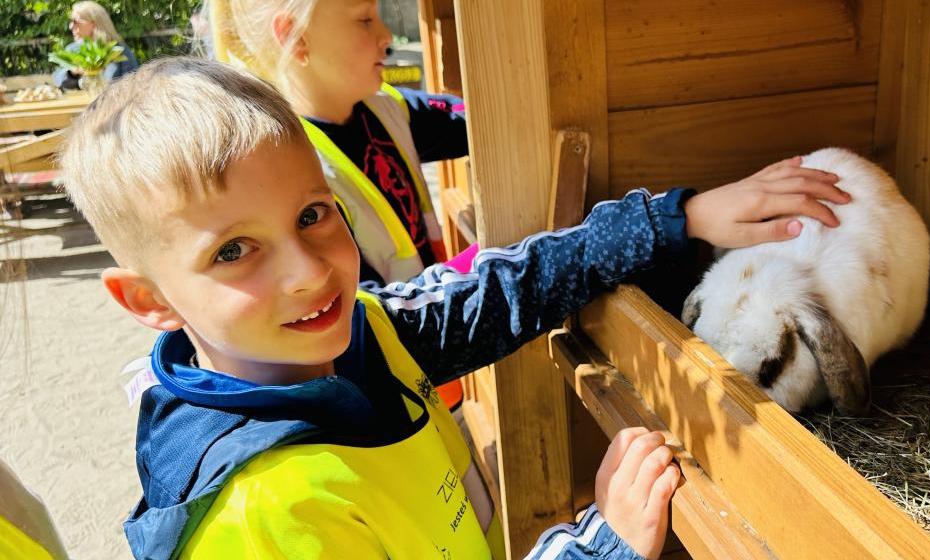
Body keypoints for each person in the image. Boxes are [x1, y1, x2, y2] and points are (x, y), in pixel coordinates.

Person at [59, 57, 849, 559]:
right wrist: (599, 545)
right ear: (148, 300)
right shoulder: (269, 520)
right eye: (234, 251)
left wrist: (680, 218)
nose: (308, 271)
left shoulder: (363, 331)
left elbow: (505, 290)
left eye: (312, 214)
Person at [212, 0, 474, 411]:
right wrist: (489, 256)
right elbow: (365, 311)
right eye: (365, 19)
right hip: (387, 399)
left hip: (433, 374)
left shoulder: (388, 109)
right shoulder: (291, 172)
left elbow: (476, 118)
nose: (386, 36)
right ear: (296, 37)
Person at [51, 1, 140, 90]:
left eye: (75, 21)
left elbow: (134, 82)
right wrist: (71, 73)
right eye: (71, 21)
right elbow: (57, 79)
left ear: (94, 23)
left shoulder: (118, 50)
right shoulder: (73, 49)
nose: (71, 26)